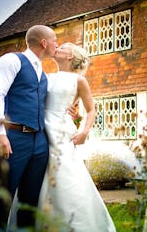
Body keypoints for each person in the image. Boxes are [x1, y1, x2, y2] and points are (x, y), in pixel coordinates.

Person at [0, 25, 58, 232]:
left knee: (30, 201)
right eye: (54, 40)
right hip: (13, 138)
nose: (56, 44)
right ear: (43, 42)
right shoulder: (12, 60)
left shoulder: (43, 74)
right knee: (3, 198)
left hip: (40, 142)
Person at [37, 42, 116, 232]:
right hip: (40, 130)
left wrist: (84, 132)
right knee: (39, 177)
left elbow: (91, 110)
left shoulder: (78, 81)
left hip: (62, 134)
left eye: (63, 47)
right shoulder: (45, 77)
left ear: (71, 56)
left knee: (66, 176)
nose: (57, 48)